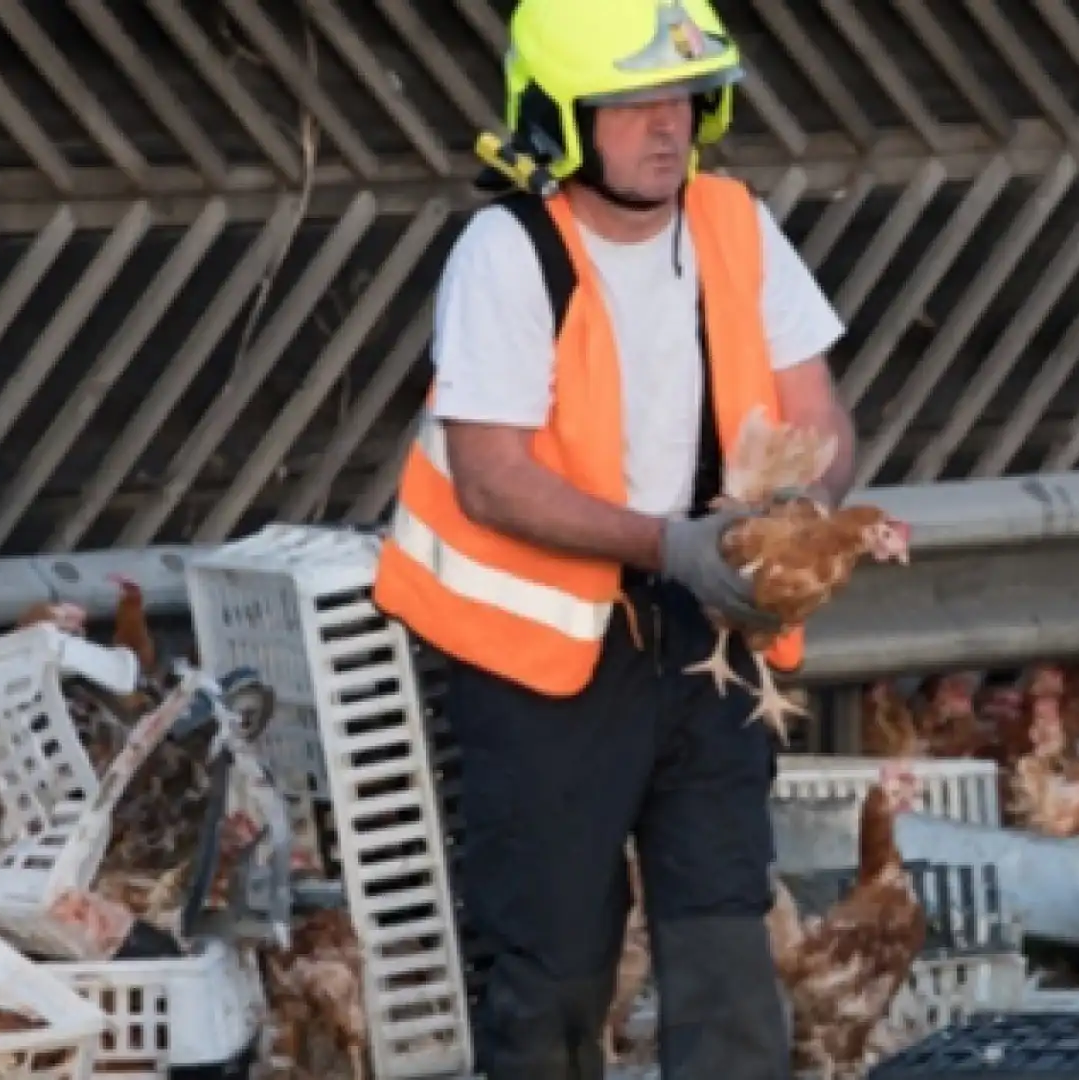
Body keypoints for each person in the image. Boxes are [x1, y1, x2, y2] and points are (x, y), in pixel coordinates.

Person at [371, 0, 856, 1076]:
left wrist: (799, 520)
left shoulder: (734, 222)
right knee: (551, 971)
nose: (667, 126)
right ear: (554, 120)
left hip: (709, 638)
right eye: (628, 104)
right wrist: (670, 545)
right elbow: (495, 482)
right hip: (543, 664)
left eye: (683, 98)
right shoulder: (505, 252)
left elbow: (817, 412)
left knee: (726, 937)